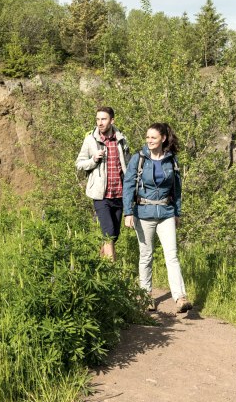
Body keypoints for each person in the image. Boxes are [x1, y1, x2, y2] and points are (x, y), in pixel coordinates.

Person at [122, 122, 192, 313]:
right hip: (143, 213)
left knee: (172, 255)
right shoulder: (138, 159)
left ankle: (180, 297)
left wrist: (177, 212)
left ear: (163, 138)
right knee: (146, 256)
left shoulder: (171, 160)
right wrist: (128, 212)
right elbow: (128, 185)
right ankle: (146, 297)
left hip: (166, 213)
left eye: (153, 137)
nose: (149, 141)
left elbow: (177, 190)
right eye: (147, 137)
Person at [76, 107, 130, 260]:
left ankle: (98, 262)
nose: (100, 123)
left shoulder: (121, 140)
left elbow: (128, 165)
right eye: (98, 119)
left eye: (103, 119)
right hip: (101, 195)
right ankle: (113, 271)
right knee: (108, 233)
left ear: (112, 120)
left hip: (119, 194)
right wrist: (93, 160)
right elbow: (79, 164)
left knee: (114, 235)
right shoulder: (90, 140)